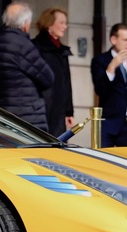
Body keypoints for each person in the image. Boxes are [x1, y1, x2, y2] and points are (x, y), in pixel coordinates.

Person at [0, 2, 54, 132]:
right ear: (25, 24)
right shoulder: (23, 45)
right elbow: (48, 78)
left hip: (1, 111)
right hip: (27, 116)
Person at [31, 8, 75, 137]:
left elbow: (67, 83)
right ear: (49, 24)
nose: (65, 27)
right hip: (41, 108)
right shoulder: (35, 47)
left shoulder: (62, 50)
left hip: (59, 110)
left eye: (65, 23)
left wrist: (69, 112)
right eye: (61, 23)